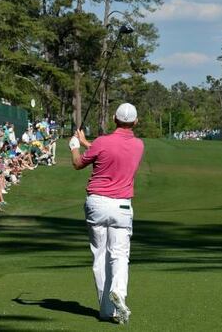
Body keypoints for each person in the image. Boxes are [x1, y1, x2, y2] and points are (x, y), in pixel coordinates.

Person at [69, 103, 144, 325]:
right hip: (121, 206)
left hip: (97, 204)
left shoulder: (102, 142)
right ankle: (119, 292)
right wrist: (85, 143)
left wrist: (75, 146)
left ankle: (106, 310)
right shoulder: (139, 145)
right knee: (119, 255)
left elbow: (78, 163)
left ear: (114, 119)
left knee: (100, 255)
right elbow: (115, 151)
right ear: (136, 122)